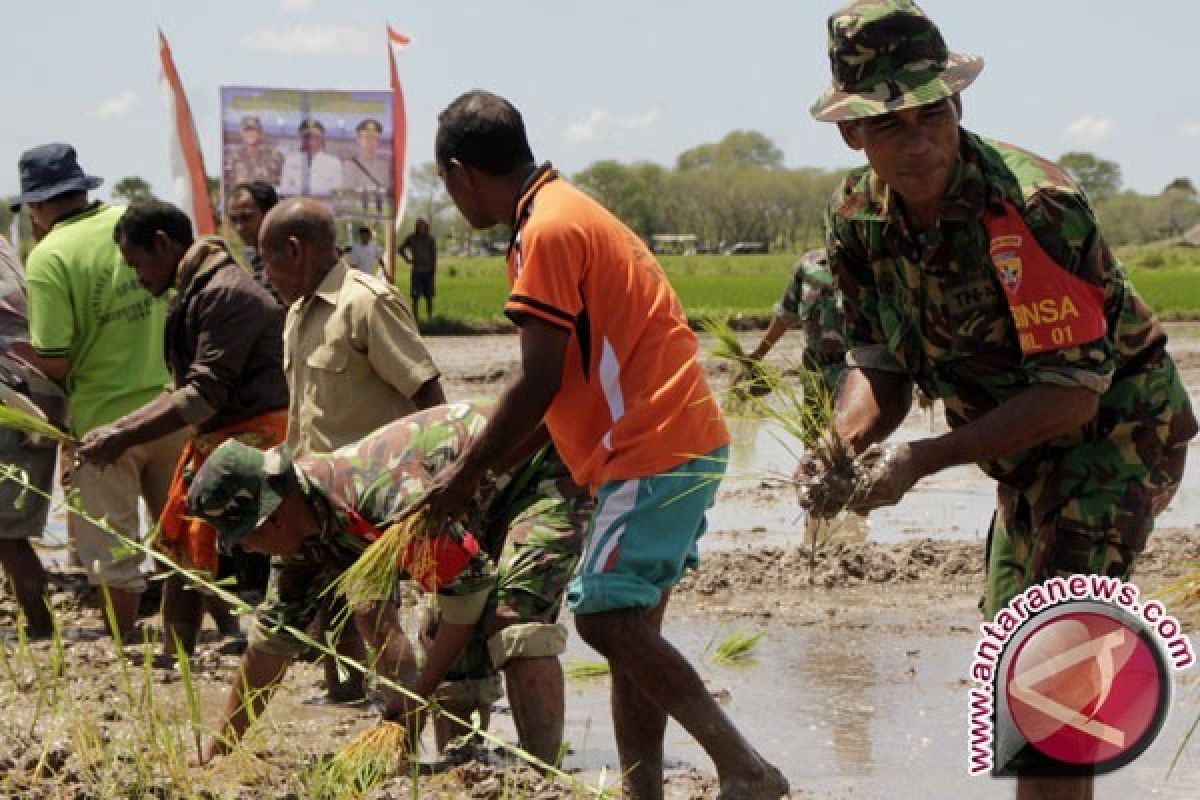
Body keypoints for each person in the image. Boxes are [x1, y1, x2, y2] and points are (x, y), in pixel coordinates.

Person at [800, 2, 1197, 796]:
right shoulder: (856, 219)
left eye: (931, 115)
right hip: (1016, 451)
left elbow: (1071, 396)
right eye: (890, 125)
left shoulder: (1032, 207)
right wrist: (842, 443)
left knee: (1050, 664)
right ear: (853, 134)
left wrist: (918, 460)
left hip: (1112, 437)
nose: (917, 142)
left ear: (958, 106)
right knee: (1018, 657)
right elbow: (880, 360)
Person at [418, 90, 788, 800]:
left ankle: (746, 770)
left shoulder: (547, 231)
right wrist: (492, 471)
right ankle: (642, 789)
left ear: (462, 173)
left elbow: (536, 382)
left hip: (647, 448)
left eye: (445, 185)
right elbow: (556, 391)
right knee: (632, 634)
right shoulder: (567, 212)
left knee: (603, 616)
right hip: (676, 440)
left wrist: (465, 475)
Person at [187, 403, 587, 768]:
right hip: (471, 503)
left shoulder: (383, 497)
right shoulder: (302, 543)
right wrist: (221, 750)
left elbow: (469, 592)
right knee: (441, 636)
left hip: (538, 467)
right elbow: (270, 646)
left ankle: (542, 778)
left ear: (268, 519)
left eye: (245, 541)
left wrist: (417, 693)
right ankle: (465, 761)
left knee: (512, 617)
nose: (249, 552)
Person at [76, 201, 288, 656]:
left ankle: (335, 668)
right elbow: (180, 389)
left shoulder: (225, 294)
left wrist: (120, 437)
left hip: (256, 435)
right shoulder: (200, 290)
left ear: (162, 244)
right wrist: (115, 430)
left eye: (137, 263)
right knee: (182, 548)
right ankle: (178, 655)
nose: (137, 276)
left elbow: (200, 397)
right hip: (222, 434)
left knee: (279, 561)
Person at [259, 196, 445, 701]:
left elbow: (429, 398)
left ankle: (403, 718)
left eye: (268, 260)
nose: (267, 275)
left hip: (367, 497)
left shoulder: (366, 303)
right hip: (308, 494)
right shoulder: (297, 314)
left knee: (373, 612)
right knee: (311, 607)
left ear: (294, 251)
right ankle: (345, 697)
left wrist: (432, 487)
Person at [13, 143, 186, 642]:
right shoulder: (131, 225)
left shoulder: (50, 256)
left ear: (39, 207)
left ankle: (128, 641)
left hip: (105, 421)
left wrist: (25, 361)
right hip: (173, 404)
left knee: (111, 543)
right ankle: (192, 633)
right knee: (182, 531)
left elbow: (56, 355)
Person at [0, 233, 65, 639]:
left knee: (6, 535)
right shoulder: (6, 248)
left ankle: (41, 627)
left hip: (12, 399)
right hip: (39, 398)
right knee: (10, 533)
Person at [738, 247, 847, 402]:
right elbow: (785, 316)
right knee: (813, 425)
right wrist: (757, 355)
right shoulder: (808, 264)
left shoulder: (867, 266)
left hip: (854, 374)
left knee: (851, 425)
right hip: (815, 369)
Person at [226, 180, 283, 305]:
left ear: (269, 213)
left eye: (246, 217)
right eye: (233, 219)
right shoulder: (253, 257)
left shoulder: (289, 259)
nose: (239, 227)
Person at [280, 119, 342, 197]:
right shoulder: (290, 161)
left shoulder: (333, 163)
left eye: (315, 138)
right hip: (296, 206)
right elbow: (284, 190)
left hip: (322, 207)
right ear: (301, 139)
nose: (310, 142)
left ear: (322, 140)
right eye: (306, 138)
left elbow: (336, 194)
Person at [225, 116, 284, 191]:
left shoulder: (275, 155)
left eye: (253, 130)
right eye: (246, 131)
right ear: (241, 133)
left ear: (260, 132)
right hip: (242, 200)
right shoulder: (234, 157)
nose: (250, 134)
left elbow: (279, 184)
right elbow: (229, 184)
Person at [398, 217, 436, 320]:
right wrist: (407, 259)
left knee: (429, 296)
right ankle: (415, 318)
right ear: (416, 227)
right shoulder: (412, 238)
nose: (421, 228)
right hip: (417, 271)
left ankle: (430, 317)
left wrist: (433, 269)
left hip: (428, 271)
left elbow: (433, 255)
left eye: (423, 226)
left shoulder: (430, 239)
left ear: (426, 227)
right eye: (419, 226)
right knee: (415, 296)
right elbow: (400, 249)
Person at [341, 118, 390, 193]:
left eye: (374, 138)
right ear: (358, 140)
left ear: (379, 142)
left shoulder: (385, 165)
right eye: (366, 137)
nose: (370, 141)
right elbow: (348, 191)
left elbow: (388, 191)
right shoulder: (349, 164)